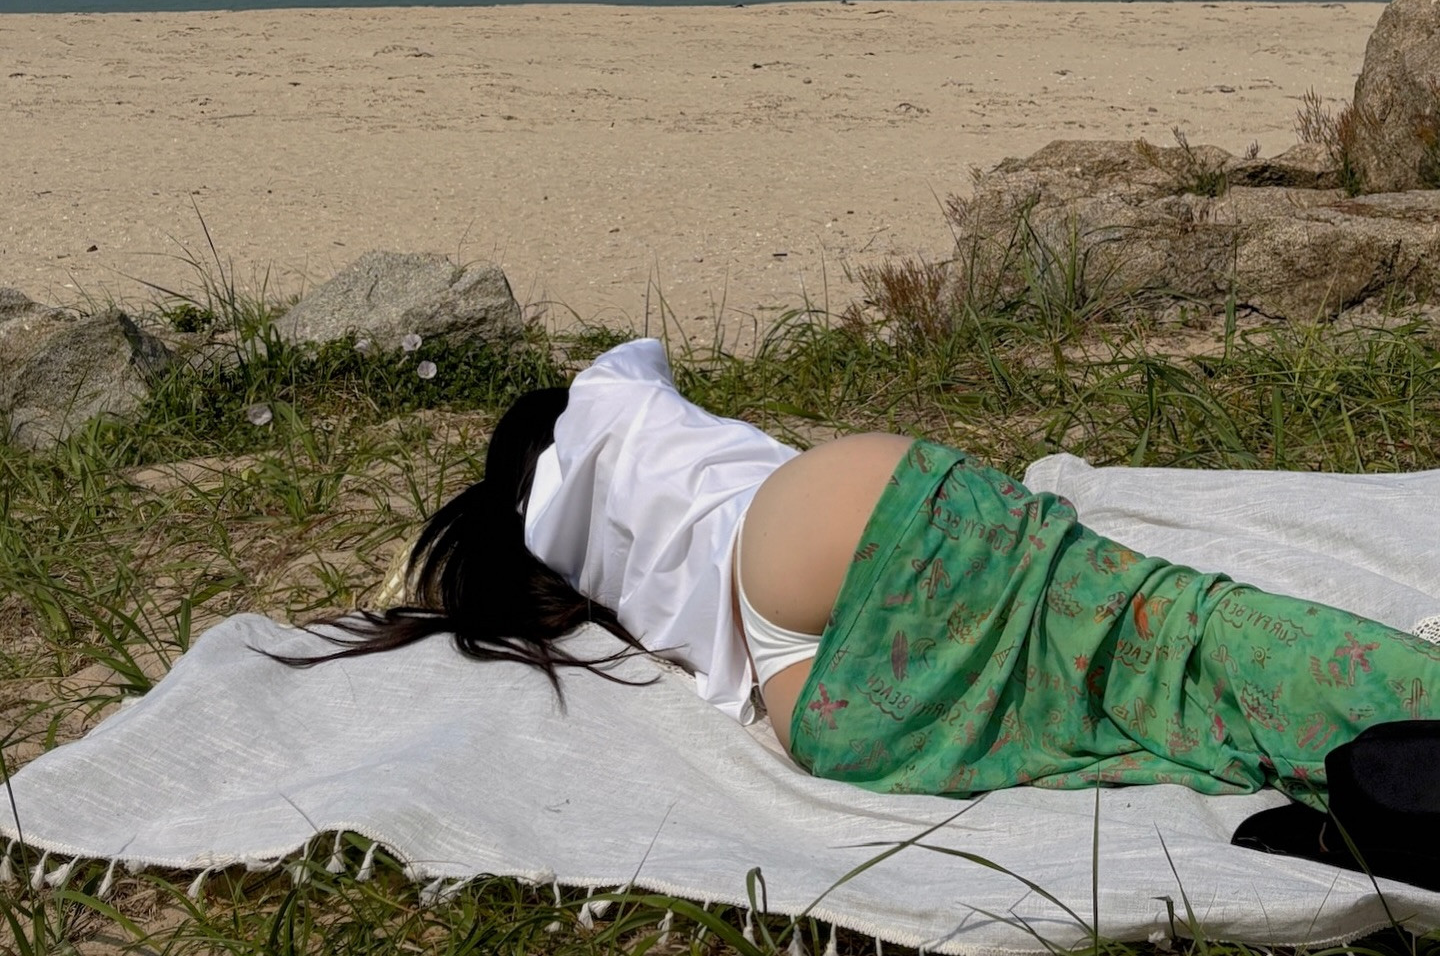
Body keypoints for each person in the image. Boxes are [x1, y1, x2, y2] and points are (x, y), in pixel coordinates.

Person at [306, 339, 1440, 811]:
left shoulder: (563, 562)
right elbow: (640, 352)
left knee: (1144, 707)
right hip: (830, 516)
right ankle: (1404, 712)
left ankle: (1382, 772)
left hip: (805, 693)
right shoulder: (611, 399)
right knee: (1176, 634)